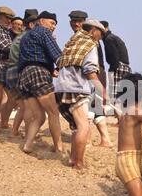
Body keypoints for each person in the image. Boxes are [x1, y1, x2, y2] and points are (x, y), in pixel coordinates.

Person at [56, 19, 109, 169]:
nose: (101, 37)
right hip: (76, 88)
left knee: (75, 126)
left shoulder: (73, 42)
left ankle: (73, 159)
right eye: (100, 33)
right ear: (93, 30)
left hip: (60, 88)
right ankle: (78, 162)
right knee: (83, 126)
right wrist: (102, 91)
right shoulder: (90, 45)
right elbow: (90, 71)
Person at [18, 11, 63, 154]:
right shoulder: (44, 32)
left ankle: (28, 145)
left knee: (39, 116)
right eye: (52, 23)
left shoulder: (25, 36)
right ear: (42, 21)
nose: (54, 26)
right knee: (53, 112)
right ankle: (59, 147)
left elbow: (33, 55)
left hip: (24, 75)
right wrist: (66, 67)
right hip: (38, 73)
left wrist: (51, 70)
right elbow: (57, 55)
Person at [68, 11, 112, 147]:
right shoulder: (85, 37)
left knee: (87, 108)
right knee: (96, 107)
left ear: (85, 23)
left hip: (92, 75)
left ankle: (87, 140)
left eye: (79, 21)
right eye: (73, 21)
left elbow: (90, 65)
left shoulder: (86, 38)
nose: (76, 24)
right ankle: (105, 139)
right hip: (93, 75)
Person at [6, 9, 39, 136]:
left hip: (10, 72)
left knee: (23, 106)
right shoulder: (29, 37)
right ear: (31, 24)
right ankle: (28, 133)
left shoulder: (19, 36)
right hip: (19, 71)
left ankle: (14, 131)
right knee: (28, 105)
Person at [100, 21, 132, 101]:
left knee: (115, 94)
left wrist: (112, 69)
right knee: (123, 93)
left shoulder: (108, 39)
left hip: (118, 66)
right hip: (124, 66)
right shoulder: (112, 37)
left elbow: (114, 56)